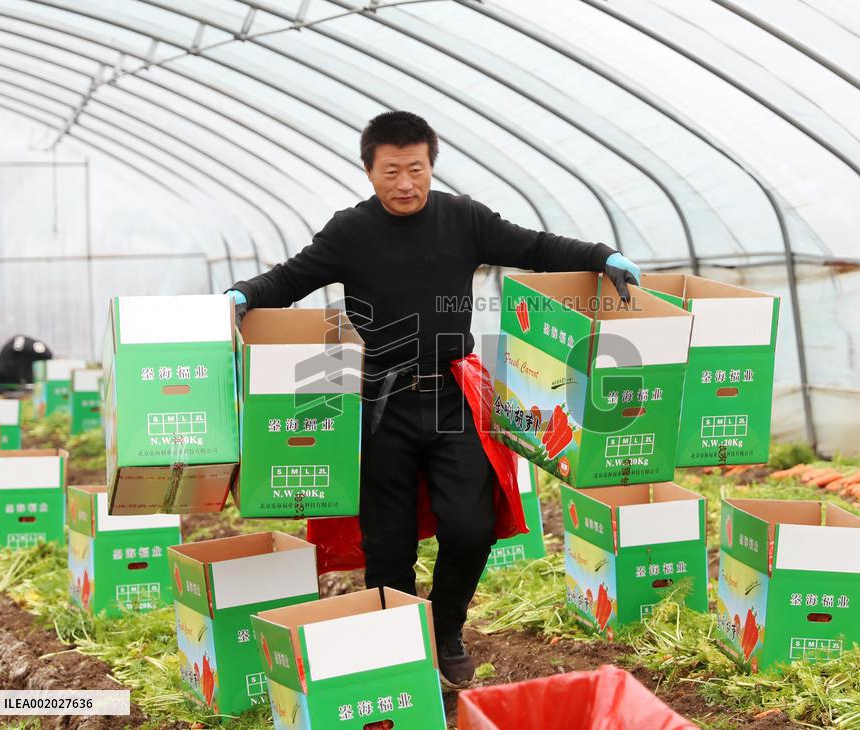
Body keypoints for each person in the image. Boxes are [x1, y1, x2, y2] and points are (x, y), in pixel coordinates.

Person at [228, 111, 643, 687]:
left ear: (431, 165)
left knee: (471, 526)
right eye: (391, 171)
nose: (405, 183)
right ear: (369, 170)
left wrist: (600, 255)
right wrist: (243, 294)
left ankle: (446, 629)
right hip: (379, 404)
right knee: (387, 540)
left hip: (453, 399)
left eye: (416, 169)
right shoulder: (350, 231)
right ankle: (397, 645)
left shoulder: (463, 218)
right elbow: (291, 276)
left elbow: (535, 246)